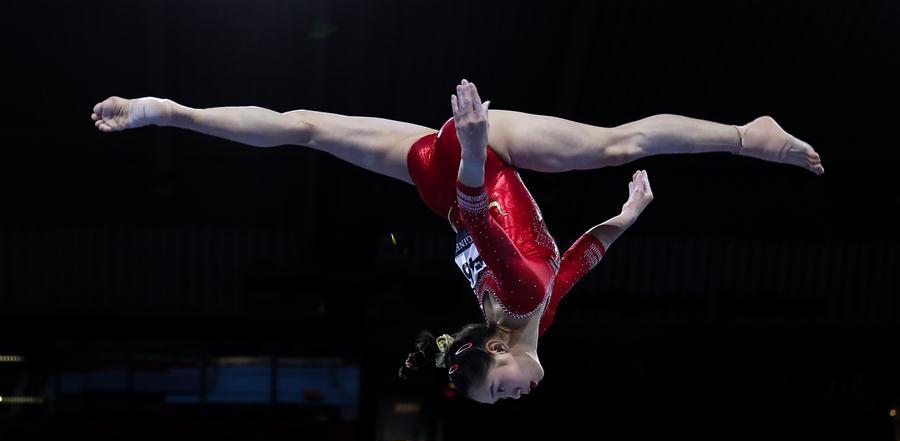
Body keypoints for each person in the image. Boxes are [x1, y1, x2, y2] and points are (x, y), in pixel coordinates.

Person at [91, 79, 822, 403]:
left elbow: (481, 218)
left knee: (615, 144)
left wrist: (472, 148)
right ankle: (163, 110)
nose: (515, 396)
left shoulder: (519, 296)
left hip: (473, 166)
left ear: (496, 350)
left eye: (499, 390)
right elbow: (578, 262)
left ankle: (745, 136)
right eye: (504, 400)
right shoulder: (535, 316)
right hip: (437, 177)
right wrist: (626, 218)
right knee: (304, 128)